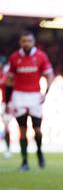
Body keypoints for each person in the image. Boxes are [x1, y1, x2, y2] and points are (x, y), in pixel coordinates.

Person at [5, 30, 54, 171]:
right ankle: (25, 161)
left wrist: (46, 92)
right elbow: (9, 80)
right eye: (24, 41)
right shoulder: (14, 57)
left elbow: (49, 74)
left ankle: (39, 151)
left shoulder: (40, 56)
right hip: (19, 96)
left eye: (29, 41)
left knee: (37, 129)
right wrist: (8, 101)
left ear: (33, 42)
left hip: (34, 96)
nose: (26, 43)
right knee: (22, 130)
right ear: (20, 42)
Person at [0, 57, 12, 159]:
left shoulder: (10, 73)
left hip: (15, 102)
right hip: (6, 103)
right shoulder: (2, 74)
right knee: (7, 127)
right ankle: (8, 149)